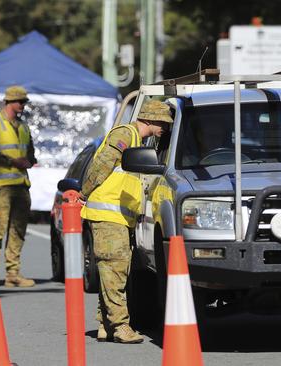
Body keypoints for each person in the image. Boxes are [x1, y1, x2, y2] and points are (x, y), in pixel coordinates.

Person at [80, 100, 173, 344]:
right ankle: (120, 326)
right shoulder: (126, 134)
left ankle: (105, 324)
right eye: (163, 122)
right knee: (115, 269)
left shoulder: (136, 141)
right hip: (107, 214)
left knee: (111, 270)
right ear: (151, 119)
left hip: (116, 216)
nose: (165, 127)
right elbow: (101, 165)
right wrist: (84, 193)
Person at [0, 85, 37, 287]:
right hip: (1, 186)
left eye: (24, 102)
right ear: (9, 102)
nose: (23, 105)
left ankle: (13, 273)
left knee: (18, 230)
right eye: (20, 102)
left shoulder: (23, 127)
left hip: (21, 185)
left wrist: (29, 160)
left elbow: (30, 151)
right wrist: (13, 162)